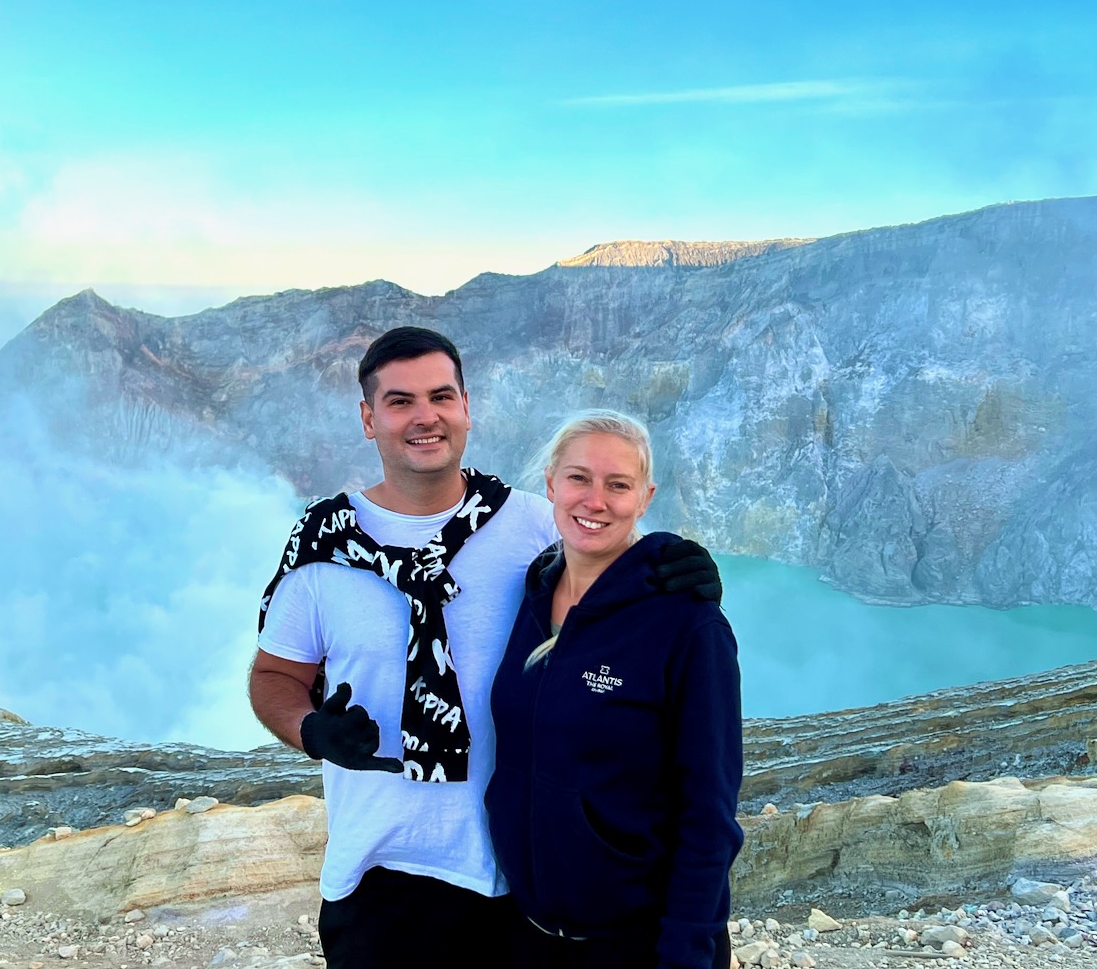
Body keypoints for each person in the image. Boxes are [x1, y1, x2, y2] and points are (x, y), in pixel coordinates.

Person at [250, 328, 722, 969]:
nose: (425, 417)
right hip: (380, 876)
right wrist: (310, 729)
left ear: (466, 408)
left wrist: (673, 562)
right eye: (399, 401)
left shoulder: (532, 524)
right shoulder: (319, 547)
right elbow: (274, 674)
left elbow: (607, 557)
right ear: (368, 418)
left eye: (441, 396)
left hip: (518, 884)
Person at [485, 410, 743, 969]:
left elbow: (709, 814)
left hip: (638, 943)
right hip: (527, 932)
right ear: (551, 483)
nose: (594, 500)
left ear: (644, 497)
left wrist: (686, 951)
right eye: (579, 478)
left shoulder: (687, 625)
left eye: (618, 485)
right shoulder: (532, 594)